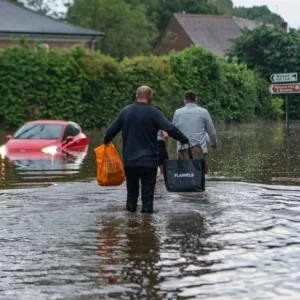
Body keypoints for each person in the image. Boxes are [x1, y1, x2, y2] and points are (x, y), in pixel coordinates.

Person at [103, 85, 189, 213]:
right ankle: (147, 225)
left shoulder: (125, 111)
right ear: (150, 98)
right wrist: (183, 139)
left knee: (131, 195)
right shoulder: (154, 112)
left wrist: (106, 142)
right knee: (147, 198)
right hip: (149, 163)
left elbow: (109, 132)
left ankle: (131, 226)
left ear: (136, 96)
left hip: (130, 162)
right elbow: (170, 128)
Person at [172, 90, 217, 165]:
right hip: (200, 150)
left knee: (185, 173)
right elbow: (211, 131)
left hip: (183, 150)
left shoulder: (178, 112)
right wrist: (214, 143)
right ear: (195, 100)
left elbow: (173, 131)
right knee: (199, 173)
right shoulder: (204, 112)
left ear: (185, 101)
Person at [153, 106, 169, 176]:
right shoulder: (162, 120)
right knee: (163, 164)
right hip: (160, 143)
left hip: (151, 143)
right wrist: (165, 146)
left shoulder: (149, 119)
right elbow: (165, 135)